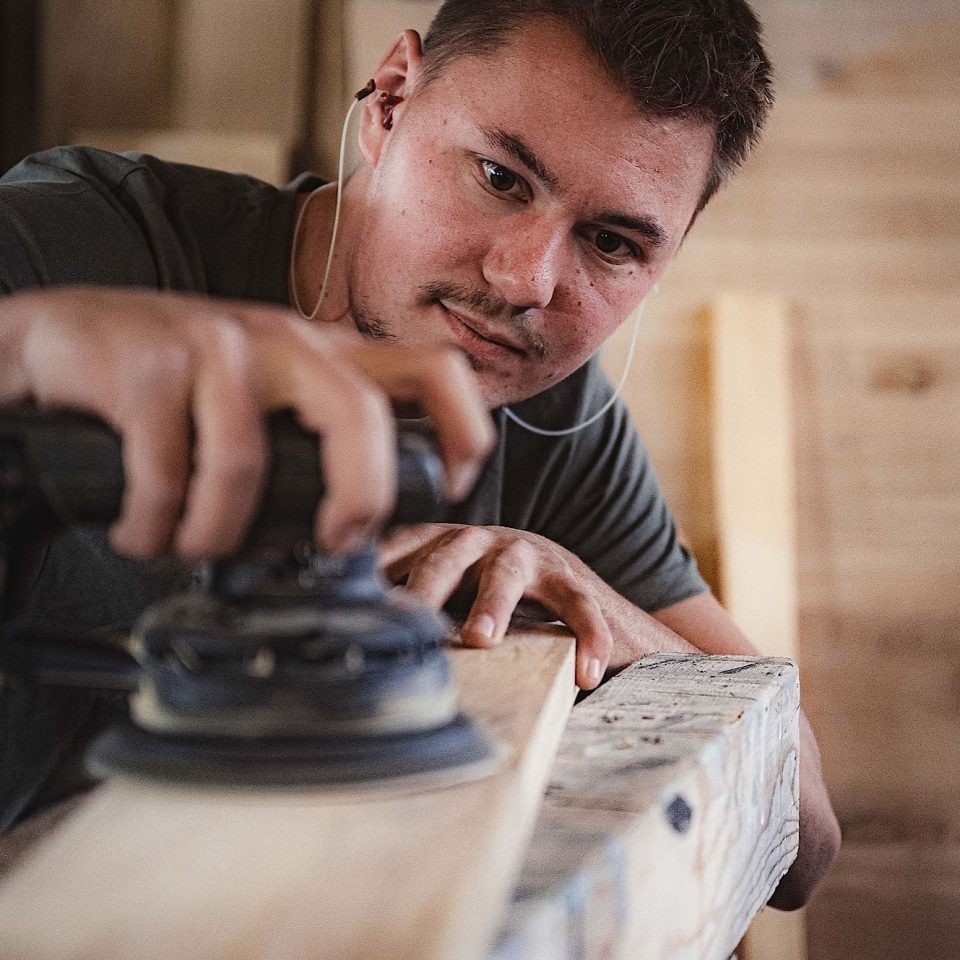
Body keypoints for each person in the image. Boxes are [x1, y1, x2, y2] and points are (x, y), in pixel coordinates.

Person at [0, 0, 840, 906]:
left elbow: (808, 837)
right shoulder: (71, 242)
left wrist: (604, 607)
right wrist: (27, 344)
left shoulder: (559, 421)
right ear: (390, 101)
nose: (526, 280)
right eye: (499, 176)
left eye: (609, 242)